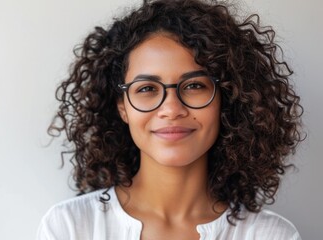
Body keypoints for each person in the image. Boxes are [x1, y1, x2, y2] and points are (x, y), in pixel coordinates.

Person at [37, 0, 304, 239]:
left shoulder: (271, 236)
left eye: (194, 86)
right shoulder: (69, 228)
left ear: (226, 98)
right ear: (122, 107)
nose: (171, 109)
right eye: (146, 89)